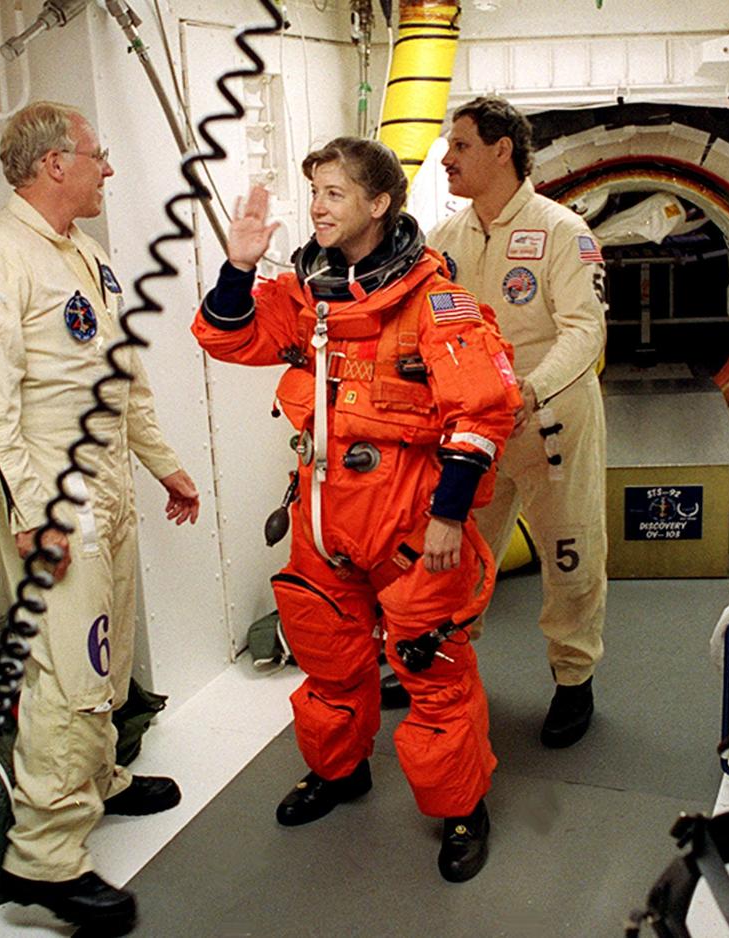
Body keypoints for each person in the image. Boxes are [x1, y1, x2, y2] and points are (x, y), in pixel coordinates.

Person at [191, 137, 519, 882]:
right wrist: (239, 265)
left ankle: (462, 807)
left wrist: (447, 516)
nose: (317, 206)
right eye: (314, 192)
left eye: (334, 193)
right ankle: (341, 774)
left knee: (429, 669)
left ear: (378, 205)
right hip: (323, 517)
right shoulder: (311, 295)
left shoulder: (434, 301)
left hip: (408, 522)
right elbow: (228, 336)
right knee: (329, 659)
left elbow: (486, 408)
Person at [0, 101, 200, 935]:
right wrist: (25, 506)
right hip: (53, 501)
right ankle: (42, 861)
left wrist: (167, 465)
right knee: (68, 671)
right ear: (55, 163)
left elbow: (122, 383)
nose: (108, 168)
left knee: (111, 653)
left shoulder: (84, 256)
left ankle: (102, 779)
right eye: (98, 154)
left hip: (107, 488)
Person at [428, 96, 608, 749]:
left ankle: (573, 678)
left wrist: (530, 390)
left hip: (550, 420)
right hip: (473, 431)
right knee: (459, 552)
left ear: (502, 150)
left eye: (462, 146)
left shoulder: (562, 232)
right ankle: (449, 664)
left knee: (570, 552)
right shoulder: (444, 239)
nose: (447, 158)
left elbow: (585, 330)